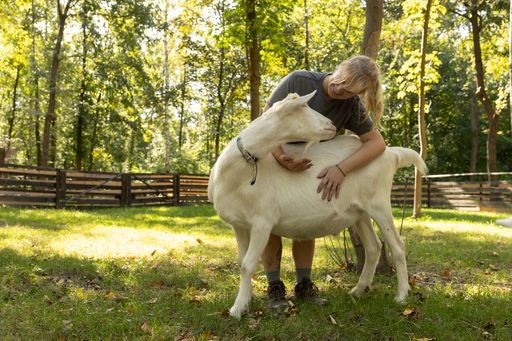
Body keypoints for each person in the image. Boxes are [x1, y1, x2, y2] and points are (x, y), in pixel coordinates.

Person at [261, 55, 386, 308]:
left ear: (358, 93)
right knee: (269, 220)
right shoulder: (300, 80)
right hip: (275, 154)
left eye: (349, 90)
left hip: (310, 160)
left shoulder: (351, 105)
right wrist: (281, 157)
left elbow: (377, 144)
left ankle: (304, 285)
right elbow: (266, 121)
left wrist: (341, 169)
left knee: (304, 220)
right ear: (339, 69)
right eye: (340, 81)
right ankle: (274, 287)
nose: (339, 90)